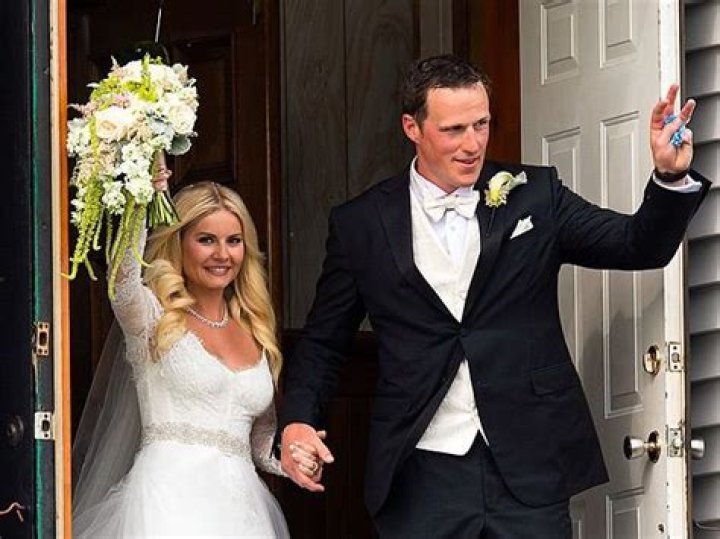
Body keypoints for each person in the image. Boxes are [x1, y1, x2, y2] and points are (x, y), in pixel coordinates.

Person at [278, 54, 711, 538]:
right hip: (421, 472)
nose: (472, 145)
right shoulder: (360, 224)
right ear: (412, 128)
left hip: (529, 461)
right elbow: (324, 341)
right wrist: (298, 420)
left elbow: (638, 246)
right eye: (454, 130)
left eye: (481, 125)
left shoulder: (536, 195)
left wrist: (669, 177)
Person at [72, 177, 319, 537]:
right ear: (179, 242)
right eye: (206, 240)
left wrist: (292, 459)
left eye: (233, 241)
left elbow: (258, 440)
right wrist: (142, 192)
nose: (222, 254)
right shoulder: (153, 318)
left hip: (242, 512)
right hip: (169, 502)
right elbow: (122, 281)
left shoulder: (255, 329)